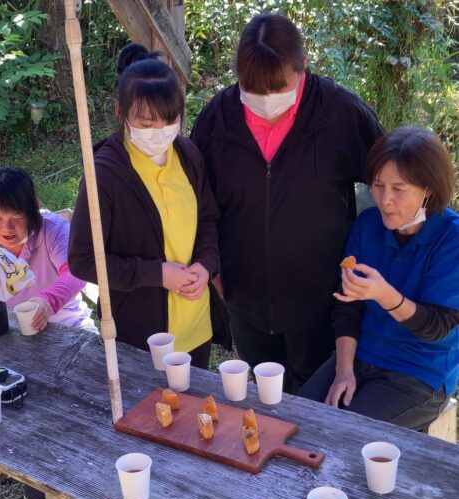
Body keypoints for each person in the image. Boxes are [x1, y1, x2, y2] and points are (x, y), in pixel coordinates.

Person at [190, 14, 384, 391]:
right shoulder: (218, 119)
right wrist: (213, 269)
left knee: (316, 410)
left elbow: (390, 183)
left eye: (277, 86)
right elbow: (199, 201)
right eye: (252, 87)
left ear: (303, 67)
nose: (264, 99)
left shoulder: (340, 113)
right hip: (244, 297)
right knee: (266, 404)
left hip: (321, 301)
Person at [69, 44, 220, 368]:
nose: (158, 131)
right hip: (141, 336)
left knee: (196, 414)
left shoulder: (188, 155)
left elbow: (208, 219)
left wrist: (206, 264)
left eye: (169, 120)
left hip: (195, 328)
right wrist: (156, 274)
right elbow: (82, 260)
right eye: (146, 121)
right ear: (120, 112)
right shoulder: (105, 175)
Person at [298, 127, 459, 431]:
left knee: (341, 437)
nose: (385, 200)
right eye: (378, 185)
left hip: (419, 373)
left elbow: (436, 325)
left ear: (428, 189)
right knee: (295, 421)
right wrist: (344, 370)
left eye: (399, 188)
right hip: (361, 356)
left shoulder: (451, 238)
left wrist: (385, 295)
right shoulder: (368, 225)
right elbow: (347, 308)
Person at [0, 166, 94, 332]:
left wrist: (47, 301)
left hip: (67, 326)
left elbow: (76, 272)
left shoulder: (53, 229)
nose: (7, 228)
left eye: (17, 217)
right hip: (4, 335)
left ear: (34, 212)